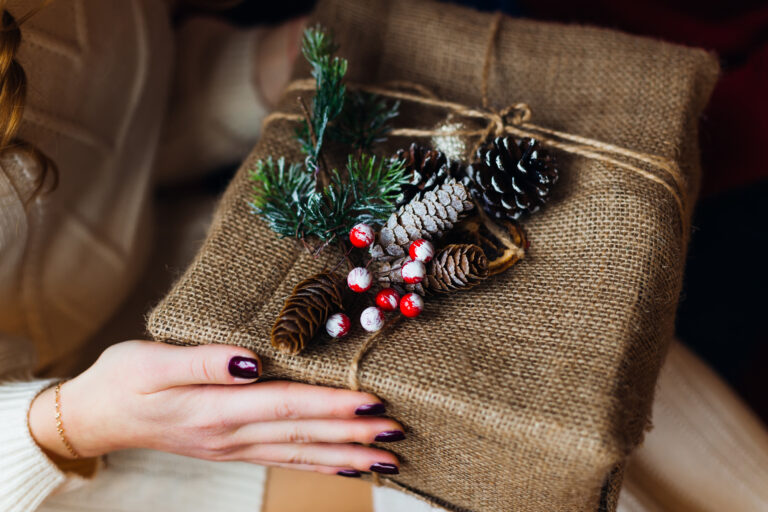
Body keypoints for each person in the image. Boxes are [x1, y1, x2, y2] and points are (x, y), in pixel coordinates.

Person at [0, 2, 404, 511]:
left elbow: (97, 109)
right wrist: (68, 423)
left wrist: (263, 71)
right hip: (68, 433)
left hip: (182, 251)